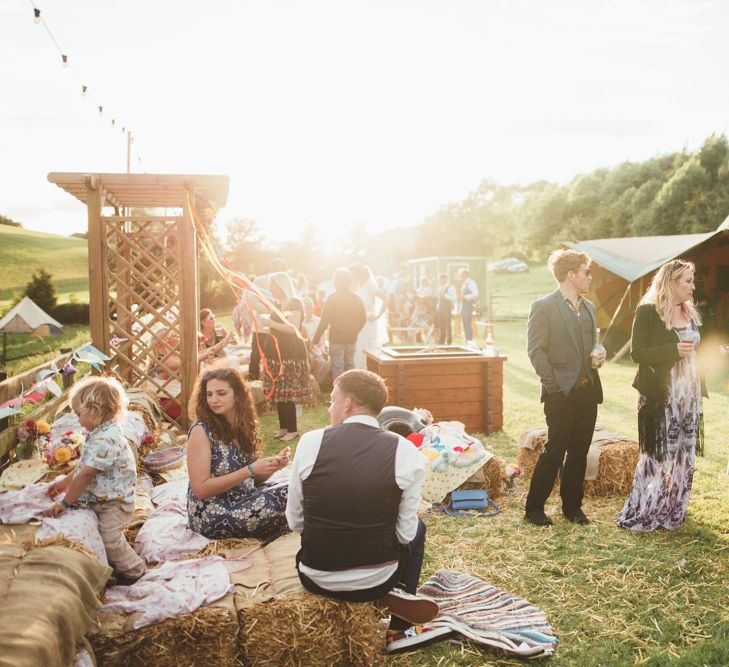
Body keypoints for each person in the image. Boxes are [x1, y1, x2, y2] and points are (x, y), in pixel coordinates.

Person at [286, 369, 448, 653]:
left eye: (332, 400)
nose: (330, 407)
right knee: (419, 528)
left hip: (316, 575)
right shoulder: (405, 450)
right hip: (377, 579)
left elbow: (295, 521)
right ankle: (399, 628)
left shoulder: (310, 441)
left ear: (348, 403)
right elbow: (405, 533)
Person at [616, 259, 706, 531]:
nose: (693, 286)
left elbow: (694, 349)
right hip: (660, 393)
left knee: (683, 454)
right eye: (687, 281)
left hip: (688, 393)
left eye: (692, 280)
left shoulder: (689, 312)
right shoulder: (647, 312)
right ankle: (646, 508)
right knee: (657, 453)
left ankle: (674, 508)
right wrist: (672, 351)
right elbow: (638, 353)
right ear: (671, 282)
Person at [524, 249, 605, 527]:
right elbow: (535, 351)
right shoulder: (544, 306)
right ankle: (534, 508)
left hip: (588, 390)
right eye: (586, 272)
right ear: (572, 275)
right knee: (556, 450)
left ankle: (572, 507)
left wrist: (599, 355)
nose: (590, 277)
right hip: (560, 392)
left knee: (580, 450)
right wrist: (554, 385)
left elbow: (591, 346)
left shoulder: (590, 307)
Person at [42, 376, 146, 585]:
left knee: (109, 539)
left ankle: (136, 571)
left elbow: (86, 475)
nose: (77, 419)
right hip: (103, 498)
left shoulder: (107, 439)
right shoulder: (99, 432)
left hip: (114, 503)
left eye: (78, 414)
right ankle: (111, 566)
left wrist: (65, 502)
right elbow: (84, 467)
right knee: (101, 536)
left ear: (95, 410)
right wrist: (64, 483)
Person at [186, 366, 290, 539]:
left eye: (221, 393)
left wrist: (273, 467)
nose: (213, 400)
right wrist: (251, 469)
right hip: (212, 514)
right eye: (209, 394)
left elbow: (251, 479)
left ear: (237, 395)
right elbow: (200, 489)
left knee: (297, 481)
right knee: (291, 492)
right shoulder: (201, 430)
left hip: (243, 497)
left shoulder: (242, 426)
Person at [263, 272, 311, 441]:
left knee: (287, 390)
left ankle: (292, 429)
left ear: (281, 285)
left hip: (290, 353)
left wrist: (271, 323)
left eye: (272, 286)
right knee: (278, 391)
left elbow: (294, 328)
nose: (271, 289)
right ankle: (283, 427)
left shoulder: (294, 303)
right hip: (276, 354)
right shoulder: (278, 304)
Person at [312, 269, 367, 381]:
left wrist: (315, 339)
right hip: (351, 338)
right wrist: (355, 331)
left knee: (337, 369)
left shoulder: (332, 299)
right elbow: (363, 319)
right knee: (350, 367)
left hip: (336, 338)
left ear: (336, 282)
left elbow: (324, 321)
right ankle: (352, 393)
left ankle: (340, 395)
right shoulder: (356, 299)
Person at [350, 263, 390, 368]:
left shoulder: (369, 286)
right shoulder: (359, 287)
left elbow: (385, 298)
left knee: (365, 349)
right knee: (357, 349)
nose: (352, 277)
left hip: (368, 323)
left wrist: (378, 315)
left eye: (353, 274)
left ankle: (366, 373)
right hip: (358, 322)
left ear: (359, 274)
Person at [458, 268, 479, 343]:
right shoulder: (464, 283)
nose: (460, 277)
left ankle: (470, 341)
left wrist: (465, 297)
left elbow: (476, 293)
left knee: (467, 324)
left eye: (461, 275)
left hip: (468, 306)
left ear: (466, 275)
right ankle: (468, 341)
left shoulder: (471, 283)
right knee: (465, 324)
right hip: (464, 306)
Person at [435, 273, 456, 345]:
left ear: (445, 279)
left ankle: (449, 340)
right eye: (439, 279)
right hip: (440, 308)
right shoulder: (440, 287)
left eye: (441, 279)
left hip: (447, 308)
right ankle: (442, 340)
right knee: (441, 325)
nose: (439, 281)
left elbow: (453, 298)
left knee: (448, 324)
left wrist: (445, 295)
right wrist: (437, 307)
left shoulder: (451, 287)